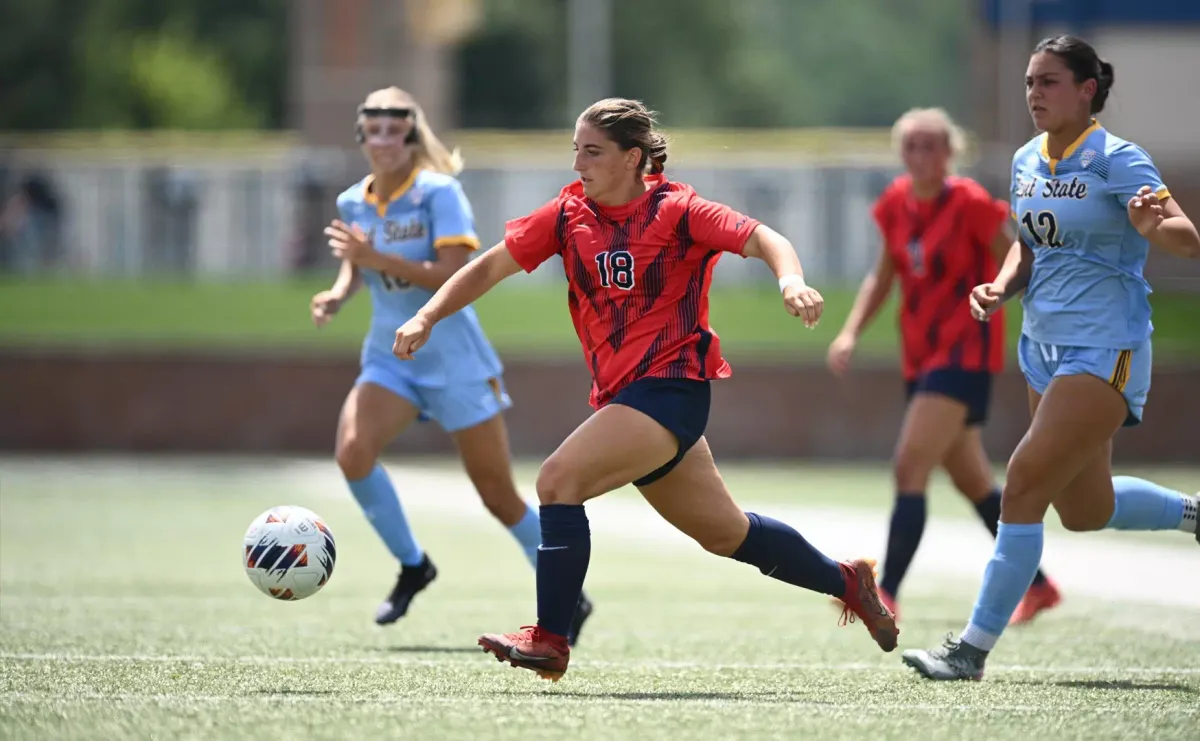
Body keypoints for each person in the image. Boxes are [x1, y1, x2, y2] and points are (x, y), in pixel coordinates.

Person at [392, 97, 899, 683]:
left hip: (672, 390)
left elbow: (764, 238)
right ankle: (848, 584)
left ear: (634, 158)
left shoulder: (677, 210)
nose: (579, 163)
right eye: (576, 149)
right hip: (627, 400)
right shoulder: (568, 213)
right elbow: (488, 266)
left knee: (558, 480)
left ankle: (551, 638)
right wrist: (428, 316)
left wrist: (791, 281)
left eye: (593, 151)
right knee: (726, 533)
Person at [902, 36, 1200, 682]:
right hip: (1042, 346)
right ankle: (1195, 514)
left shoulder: (1119, 159)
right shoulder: (1026, 159)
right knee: (1083, 509)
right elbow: (1027, 248)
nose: (1034, 93)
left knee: (1026, 481)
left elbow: (1186, 237)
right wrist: (1000, 285)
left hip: (1107, 345)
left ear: (1088, 89)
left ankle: (970, 650)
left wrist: (1155, 226)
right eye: (1030, 81)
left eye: (1050, 82)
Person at [312, 86, 593, 644]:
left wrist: (375, 259)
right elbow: (359, 267)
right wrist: (341, 291)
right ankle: (414, 565)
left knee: (497, 494)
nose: (385, 139)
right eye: (375, 129)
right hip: (390, 355)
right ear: (362, 137)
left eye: (397, 129)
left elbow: (453, 274)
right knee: (352, 453)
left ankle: (566, 593)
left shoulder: (440, 193)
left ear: (412, 137)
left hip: (454, 359)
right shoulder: (352, 201)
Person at [827, 108, 1060, 624]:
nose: (921, 155)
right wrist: (849, 332)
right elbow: (882, 276)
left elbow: (1018, 258)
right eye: (912, 146)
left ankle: (885, 592)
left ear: (950, 153)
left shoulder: (970, 203)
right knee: (974, 483)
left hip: (965, 353)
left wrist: (1010, 300)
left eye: (932, 145)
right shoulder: (895, 204)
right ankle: (1040, 585)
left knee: (909, 465)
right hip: (921, 357)